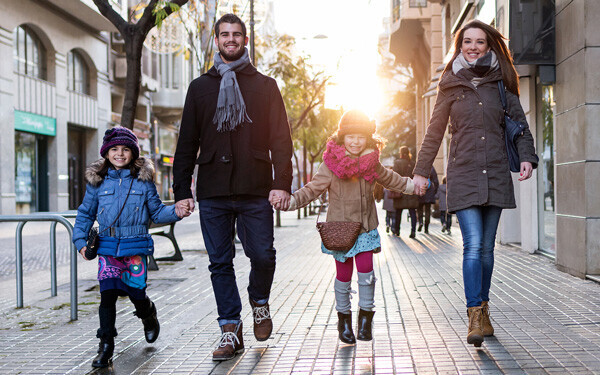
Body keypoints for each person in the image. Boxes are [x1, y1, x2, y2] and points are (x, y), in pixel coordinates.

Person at [172, 14, 293, 361]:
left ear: (245, 40)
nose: (230, 39)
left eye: (236, 34)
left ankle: (259, 302)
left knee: (263, 255)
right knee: (219, 263)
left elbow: (281, 140)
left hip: (255, 187)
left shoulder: (266, 86)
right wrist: (182, 190)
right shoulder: (199, 87)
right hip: (212, 189)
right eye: (224, 34)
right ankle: (230, 329)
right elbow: (186, 143)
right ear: (216, 40)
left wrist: (281, 184)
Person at [412, 20, 538, 347]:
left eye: (479, 42)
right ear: (460, 46)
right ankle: (474, 314)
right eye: (467, 41)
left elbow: (520, 127)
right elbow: (434, 132)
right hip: (464, 173)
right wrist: (421, 171)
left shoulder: (502, 84)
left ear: (489, 46)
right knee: (474, 244)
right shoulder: (449, 85)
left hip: (495, 173)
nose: (473, 46)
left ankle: (484, 309)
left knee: (487, 249)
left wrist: (527, 157)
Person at [279, 110, 420, 344]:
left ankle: (366, 319)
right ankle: (343, 320)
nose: (356, 142)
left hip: (365, 228)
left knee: (367, 274)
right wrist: (292, 201)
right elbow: (313, 189)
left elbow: (392, 179)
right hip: (341, 232)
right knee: (343, 276)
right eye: (351, 137)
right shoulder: (330, 165)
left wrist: (412, 185)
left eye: (361, 137)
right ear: (342, 137)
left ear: (368, 139)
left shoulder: (372, 164)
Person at [73, 127, 187, 368]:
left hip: (135, 248)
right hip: (107, 249)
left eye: (125, 149)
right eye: (114, 149)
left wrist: (176, 211)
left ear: (133, 152)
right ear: (106, 153)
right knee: (107, 296)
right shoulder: (98, 182)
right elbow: (85, 213)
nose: (120, 154)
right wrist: (81, 243)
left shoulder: (143, 181)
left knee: (136, 294)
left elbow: (156, 211)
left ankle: (148, 315)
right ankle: (106, 346)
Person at [393, 146, 419, 238]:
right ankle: (413, 231)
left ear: (401, 153)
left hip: (401, 190)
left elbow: (395, 176)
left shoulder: (397, 163)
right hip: (411, 189)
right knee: (412, 212)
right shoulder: (413, 163)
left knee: (398, 212)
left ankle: (397, 231)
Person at [416, 166, 439, 234]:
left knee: (419, 208)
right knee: (427, 210)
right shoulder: (431, 168)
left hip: (421, 190)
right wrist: (434, 191)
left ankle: (420, 222)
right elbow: (436, 181)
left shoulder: (419, 167)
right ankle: (426, 228)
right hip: (429, 191)